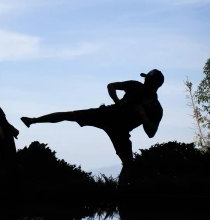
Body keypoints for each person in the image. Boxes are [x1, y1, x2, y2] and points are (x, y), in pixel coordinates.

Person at [20, 69, 164, 179]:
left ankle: (121, 193)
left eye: (148, 82)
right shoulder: (135, 85)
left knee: (128, 164)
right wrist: (117, 101)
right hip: (107, 114)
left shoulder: (156, 109)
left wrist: (143, 115)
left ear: (154, 85)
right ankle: (33, 120)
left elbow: (151, 133)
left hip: (120, 130)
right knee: (70, 115)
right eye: (145, 81)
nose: (144, 83)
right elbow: (111, 86)